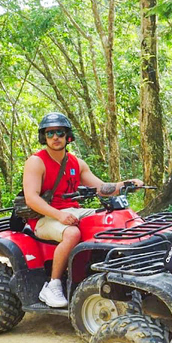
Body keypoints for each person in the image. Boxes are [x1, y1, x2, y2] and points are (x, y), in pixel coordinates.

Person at [22, 112, 143, 308]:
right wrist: (59, 215)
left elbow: (102, 188)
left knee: (110, 218)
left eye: (59, 132)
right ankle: (53, 285)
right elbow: (32, 199)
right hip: (44, 217)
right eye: (50, 133)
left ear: (67, 136)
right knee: (72, 233)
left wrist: (126, 184)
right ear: (43, 136)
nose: (55, 137)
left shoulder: (76, 163)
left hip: (72, 210)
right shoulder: (36, 162)